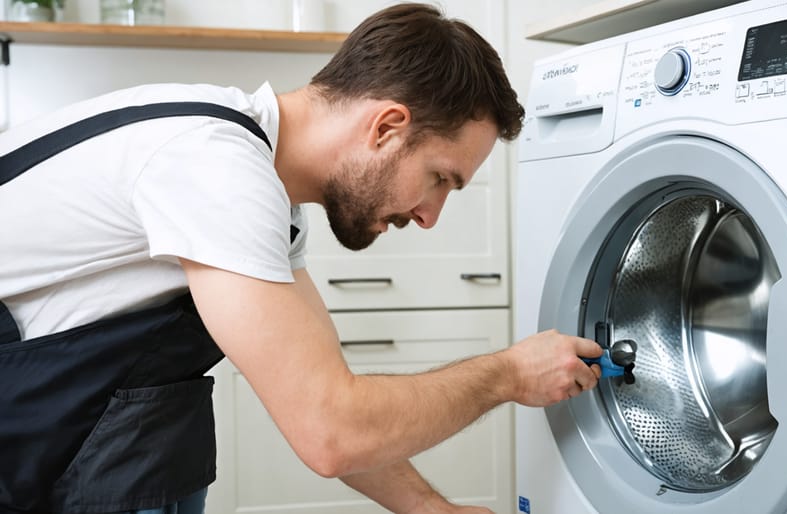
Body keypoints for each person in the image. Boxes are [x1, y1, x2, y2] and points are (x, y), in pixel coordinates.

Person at [0, 3, 603, 513]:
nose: (429, 215)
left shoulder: (262, 193)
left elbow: (329, 401)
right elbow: (332, 430)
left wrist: (431, 509)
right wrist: (507, 374)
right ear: (388, 126)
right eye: (440, 178)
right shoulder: (215, 165)